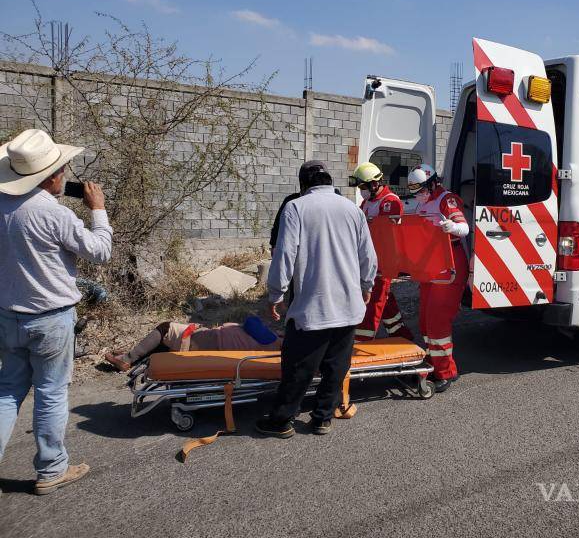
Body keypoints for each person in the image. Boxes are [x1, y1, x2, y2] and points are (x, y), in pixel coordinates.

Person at [0, 129, 112, 496]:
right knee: (50, 392)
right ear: (49, 176)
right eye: (63, 168)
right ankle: (51, 470)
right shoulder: (52, 212)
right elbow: (99, 252)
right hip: (49, 318)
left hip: (7, 314)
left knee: (7, 393)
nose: (66, 174)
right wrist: (98, 210)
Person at [257, 161, 377, 438]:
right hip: (348, 306)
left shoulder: (297, 208)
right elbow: (368, 256)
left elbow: (284, 255)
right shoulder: (351, 209)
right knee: (336, 366)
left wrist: (275, 294)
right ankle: (322, 418)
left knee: (298, 367)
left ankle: (281, 421)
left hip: (313, 307)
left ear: (303, 184)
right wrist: (366, 284)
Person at [406, 164, 469, 393]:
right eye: (415, 190)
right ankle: (434, 362)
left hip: (449, 261)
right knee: (425, 320)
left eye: (421, 189)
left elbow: (464, 228)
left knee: (438, 319)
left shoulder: (446, 199)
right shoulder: (423, 201)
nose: (419, 194)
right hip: (431, 263)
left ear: (432, 182)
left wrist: (451, 226)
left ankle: (446, 372)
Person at [350, 162, 413, 342]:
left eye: (363, 186)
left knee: (372, 305)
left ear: (374, 184)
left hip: (382, 264)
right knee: (385, 304)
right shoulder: (367, 202)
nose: (360, 190)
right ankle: (402, 338)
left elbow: (386, 234)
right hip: (369, 261)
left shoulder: (390, 202)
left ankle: (360, 343)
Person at [104, 316, 281, 372]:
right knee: (167, 340)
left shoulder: (271, 340)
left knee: (166, 328)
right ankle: (135, 357)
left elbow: (251, 320)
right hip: (212, 342)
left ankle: (127, 359)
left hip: (208, 343)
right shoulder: (268, 343)